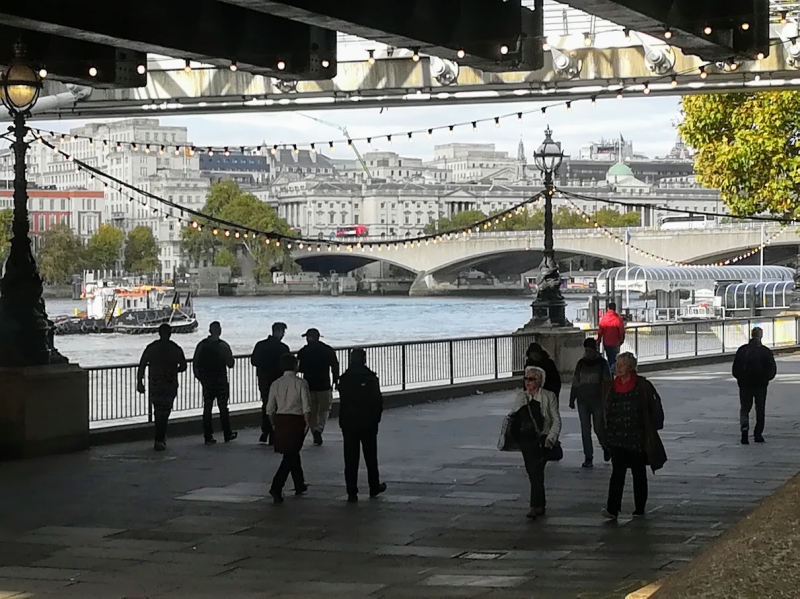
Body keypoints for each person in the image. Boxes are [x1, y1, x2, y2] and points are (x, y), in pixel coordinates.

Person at [602, 352, 666, 521]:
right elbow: (606, 411)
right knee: (617, 473)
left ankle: (639, 507)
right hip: (617, 437)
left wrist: (652, 429)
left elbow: (655, 407)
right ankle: (612, 509)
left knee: (638, 473)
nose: (618, 367)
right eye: (617, 364)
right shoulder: (611, 387)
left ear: (630, 367)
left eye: (622, 365)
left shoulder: (642, 385)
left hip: (636, 437)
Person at [510, 366, 562, 519]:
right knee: (534, 473)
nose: (527, 382)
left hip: (543, 440)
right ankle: (540, 504)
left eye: (531, 379)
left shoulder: (548, 396)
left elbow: (555, 420)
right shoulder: (521, 397)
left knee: (536, 471)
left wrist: (551, 438)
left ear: (539, 380)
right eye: (526, 379)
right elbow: (515, 418)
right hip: (527, 442)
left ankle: (535, 506)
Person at [337, 348, 387, 503]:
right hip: (368, 422)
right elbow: (377, 400)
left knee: (350, 457)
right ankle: (373, 486)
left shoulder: (344, 378)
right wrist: (376, 419)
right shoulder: (370, 377)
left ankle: (351, 490)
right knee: (370, 456)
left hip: (349, 422)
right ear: (364, 359)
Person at [267, 353, 311, 504]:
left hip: (281, 419)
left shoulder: (275, 383)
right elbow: (306, 407)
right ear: (295, 366)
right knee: (290, 455)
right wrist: (307, 424)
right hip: (296, 420)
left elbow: (270, 409)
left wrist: (273, 423)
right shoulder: (301, 383)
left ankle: (299, 484)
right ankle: (276, 486)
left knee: (291, 452)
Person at [136, 324, 187, 451]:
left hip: (155, 383)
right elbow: (184, 366)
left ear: (159, 333)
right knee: (166, 411)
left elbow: (142, 364)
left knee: (158, 411)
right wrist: (175, 370)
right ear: (170, 334)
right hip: (170, 383)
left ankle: (159, 438)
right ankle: (160, 437)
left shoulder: (151, 348)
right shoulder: (175, 348)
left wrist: (139, 381)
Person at [193, 321, 238, 445]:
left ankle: (208, 435)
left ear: (209, 330)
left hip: (207, 382)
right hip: (221, 381)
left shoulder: (201, 345)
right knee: (223, 408)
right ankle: (227, 433)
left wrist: (201, 378)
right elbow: (231, 364)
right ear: (220, 331)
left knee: (207, 408)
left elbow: (195, 363)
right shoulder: (223, 346)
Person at [569, 338, 611, 468]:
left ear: (595, 350)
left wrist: (608, 400)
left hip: (598, 401)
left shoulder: (603, 364)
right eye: (586, 350)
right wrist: (572, 398)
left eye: (590, 350)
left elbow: (607, 383)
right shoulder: (581, 363)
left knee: (599, 428)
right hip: (583, 401)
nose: (587, 352)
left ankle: (606, 446)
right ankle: (588, 457)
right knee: (585, 430)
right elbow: (576, 381)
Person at [732, 327, 777, 445]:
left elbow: (735, 370)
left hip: (745, 385)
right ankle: (758, 434)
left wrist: (741, 379)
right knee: (760, 409)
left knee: (745, 408)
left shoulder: (742, 350)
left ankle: (744, 430)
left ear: (751, 335)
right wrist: (766, 378)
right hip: (760, 385)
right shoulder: (765, 351)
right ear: (761, 336)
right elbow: (772, 370)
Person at [297, 328, 340, 446]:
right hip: (324, 384)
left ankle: (314, 430)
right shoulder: (327, 350)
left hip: (309, 385)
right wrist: (336, 379)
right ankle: (319, 429)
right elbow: (335, 365)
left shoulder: (303, 351)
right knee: (325, 409)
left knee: (312, 410)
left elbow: (298, 368)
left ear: (310, 338)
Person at [251, 322, 290, 445]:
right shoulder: (283, 348)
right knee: (277, 406)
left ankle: (265, 430)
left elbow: (254, 361)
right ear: (278, 332)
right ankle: (274, 433)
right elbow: (287, 365)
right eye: (283, 332)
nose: (283, 335)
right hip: (278, 380)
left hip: (264, 379)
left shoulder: (260, 345)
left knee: (266, 403)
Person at [597, 302, 625, 373]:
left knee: (609, 357)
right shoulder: (618, 319)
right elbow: (621, 331)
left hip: (606, 342)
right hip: (616, 342)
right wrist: (622, 340)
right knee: (615, 357)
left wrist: (598, 340)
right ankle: (612, 371)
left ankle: (610, 371)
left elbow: (600, 331)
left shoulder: (603, 319)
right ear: (615, 308)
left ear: (608, 308)